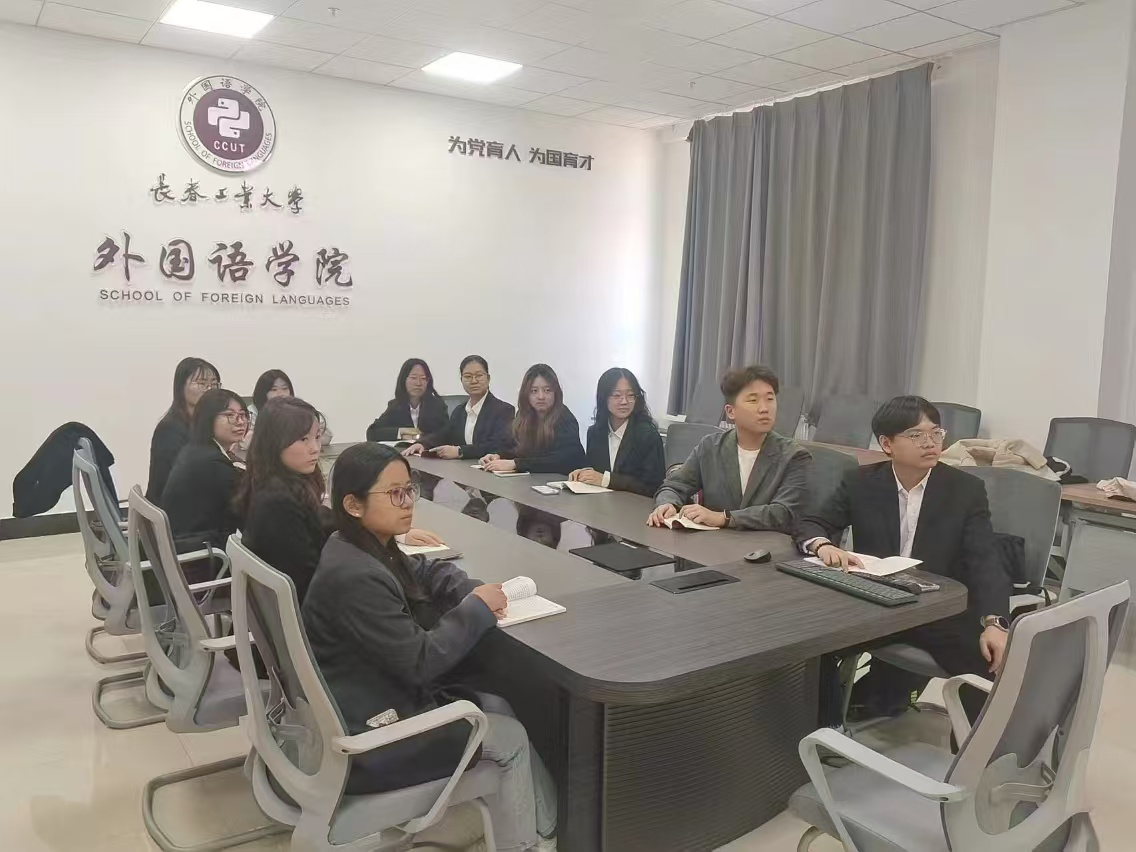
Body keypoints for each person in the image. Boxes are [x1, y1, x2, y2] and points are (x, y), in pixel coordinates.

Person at [302, 443, 557, 851]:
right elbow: (421, 662)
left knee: (498, 704)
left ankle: (545, 830)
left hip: (370, 700)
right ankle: (532, 842)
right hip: (375, 736)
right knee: (509, 738)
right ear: (352, 504)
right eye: (394, 493)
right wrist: (475, 609)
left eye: (409, 490)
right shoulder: (355, 576)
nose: (407, 502)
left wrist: (468, 589)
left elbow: (421, 569)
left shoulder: (355, 544)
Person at [794, 396, 1010, 722]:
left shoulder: (965, 490)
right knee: (812, 642)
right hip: (876, 603)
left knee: (987, 656)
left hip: (935, 610)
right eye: (916, 435)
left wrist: (995, 622)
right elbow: (813, 523)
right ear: (887, 444)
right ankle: (825, 728)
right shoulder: (861, 482)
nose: (930, 443)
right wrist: (823, 545)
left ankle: (976, 746)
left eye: (936, 433)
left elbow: (986, 561)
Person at [648, 365, 811, 533]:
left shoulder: (794, 456)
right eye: (753, 400)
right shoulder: (711, 447)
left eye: (770, 399)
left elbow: (783, 512)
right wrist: (667, 503)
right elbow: (674, 485)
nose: (764, 408)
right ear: (731, 412)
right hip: (714, 543)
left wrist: (724, 518)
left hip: (766, 545)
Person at [238, 397, 332, 603]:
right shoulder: (278, 502)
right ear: (275, 443)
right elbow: (307, 577)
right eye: (303, 439)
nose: (315, 448)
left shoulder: (269, 481)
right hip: (307, 610)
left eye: (317, 437)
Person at [160, 388, 247, 568]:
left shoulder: (195, 449)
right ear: (208, 419)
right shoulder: (213, 463)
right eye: (230, 415)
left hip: (181, 551)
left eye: (243, 415)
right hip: (201, 561)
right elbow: (247, 518)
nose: (240, 422)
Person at [569, 367, 664, 497]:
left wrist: (607, 480)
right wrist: (584, 473)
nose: (624, 401)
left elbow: (653, 487)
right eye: (616, 395)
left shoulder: (648, 435)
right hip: (599, 504)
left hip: (633, 506)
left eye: (630, 395)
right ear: (604, 398)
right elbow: (596, 470)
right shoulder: (595, 433)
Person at [403, 355, 516, 460]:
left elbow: (499, 445)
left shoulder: (503, 410)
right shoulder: (459, 411)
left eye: (479, 375)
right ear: (461, 380)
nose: (474, 381)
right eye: (468, 376)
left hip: (488, 468)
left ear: (488, 378)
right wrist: (423, 444)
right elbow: (444, 435)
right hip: (461, 469)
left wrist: (460, 451)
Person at [480, 364, 586, 476]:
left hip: (562, 481)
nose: (541, 396)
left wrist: (516, 464)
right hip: (533, 481)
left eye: (547, 390)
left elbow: (561, 460)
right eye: (534, 391)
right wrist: (498, 456)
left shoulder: (565, 418)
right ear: (526, 394)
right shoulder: (523, 415)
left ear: (556, 393)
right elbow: (514, 448)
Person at [145, 357, 220, 503]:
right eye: (201, 383)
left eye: (214, 384)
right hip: (172, 507)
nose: (209, 389)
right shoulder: (169, 430)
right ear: (181, 387)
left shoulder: (204, 423)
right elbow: (185, 479)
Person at [366, 359, 449, 442]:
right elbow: (372, 432)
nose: (418, 383)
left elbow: (446, 433)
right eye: (413, 378)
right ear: (403, 380)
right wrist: (401, 432)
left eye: (423, 378)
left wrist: (421, 440)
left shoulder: (437, 405)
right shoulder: (395, 406)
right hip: (403, 450)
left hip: (429, 449)